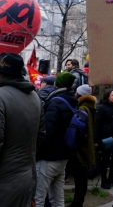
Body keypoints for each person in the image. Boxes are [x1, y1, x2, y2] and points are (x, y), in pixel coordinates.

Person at [0, 52, 45, 207]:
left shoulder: (1, 97)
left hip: (5, 181)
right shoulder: (35, 97)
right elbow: (41, 137)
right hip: (27, 178)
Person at [34, 71, 78, 207]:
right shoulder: (72, 100)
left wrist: (38, 153)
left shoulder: (55, 103)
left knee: (38, 198)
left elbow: (48, 132)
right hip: (63, 156)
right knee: (58, 198)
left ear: (57, 84)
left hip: (49, 157)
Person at [68, 84, 97, 207]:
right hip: (87, 147)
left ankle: (77, 203)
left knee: (80, 178)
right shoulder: (90, 107)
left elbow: (77, 130)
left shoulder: (82, 108)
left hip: (81, 148)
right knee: (82, 177)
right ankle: (78, 201)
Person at [95, 88, 113, 189]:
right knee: (105, 160)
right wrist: (96, 140)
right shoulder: (101, 108)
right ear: (107, 96)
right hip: (105, 137)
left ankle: (111, 178)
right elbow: (97, 124)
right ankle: (104, 180)